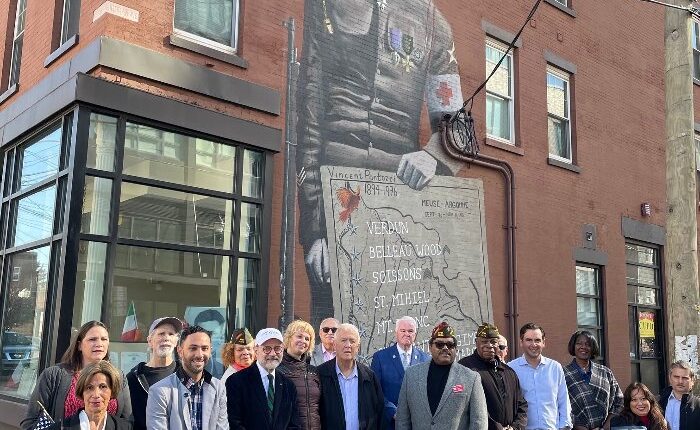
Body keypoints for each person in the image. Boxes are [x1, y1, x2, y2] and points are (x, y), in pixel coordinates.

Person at [296, 0, 466, 328]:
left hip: (398, 204)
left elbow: (456, 126)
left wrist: (434, 156)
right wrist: (317, 231)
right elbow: (309, 124)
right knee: (334, 326)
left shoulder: (433, 23)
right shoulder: (324, 6)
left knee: (396, 321)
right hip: (336, 198)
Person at [22, 321, 132, 429]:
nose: (99, 344)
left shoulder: (119, 377)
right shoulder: (53, 375)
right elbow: (31, 422)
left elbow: (127, 420)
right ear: (79, 345)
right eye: (92, 339)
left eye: (104, 339)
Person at [395, 321, 488, 429]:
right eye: (439, 344)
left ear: (455, 348)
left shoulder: (471, 378)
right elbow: (402, 419)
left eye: (450, 345)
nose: (445, 348)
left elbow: (479, 421)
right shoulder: (411, 375)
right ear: (430, 347)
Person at [146, 325, 228, 430]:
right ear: (180, 351)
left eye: (204, 348)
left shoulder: (219, 388)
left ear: (210, 351)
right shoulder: (159, 391)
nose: (199, 354)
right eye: (193, 348)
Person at [226, 328, 301, 429]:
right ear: (256, 350)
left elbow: (294, 424)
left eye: (277, 348)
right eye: (267, 348)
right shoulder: (236, 381)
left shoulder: (289, 385)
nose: (273, 353)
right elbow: (234, 422)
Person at [458, 322, 527, 430]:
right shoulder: (465, 368)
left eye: (493, 342)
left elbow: (521, 404)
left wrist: (515, 427)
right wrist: (496, 427)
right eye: (484, 341)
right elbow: (465, 404)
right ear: (476, 342)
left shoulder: (509, 372)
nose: (489, 345)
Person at [317, 323, 384, 429]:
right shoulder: (321, 374)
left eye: (352, 341)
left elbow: (379, 412)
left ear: (358, 347)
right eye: (343, 340)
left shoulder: (369, 377)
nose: (348, 345)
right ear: (334, 345)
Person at [508, 323, 571, 430]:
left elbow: (563, 400)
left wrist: (564, 426)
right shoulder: (511, 369)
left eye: (537, 340)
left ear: (543, 343)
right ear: (521, 342)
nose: (534, 344)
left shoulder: (555, 367)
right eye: (529, 340)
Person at [371, 316, 430, 428]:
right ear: (396, 333)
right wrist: (393, 411)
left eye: (410, 331)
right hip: (390, 423)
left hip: (418, 423)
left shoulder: (426, 359)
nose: (407, 334)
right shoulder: (380, 358)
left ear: (415, 334)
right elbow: (375, 390)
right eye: (403, 331)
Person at [127, 317, 182, 430]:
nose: (166, 338)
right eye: (161, 334)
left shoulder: (185, 375)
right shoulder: (133, 378)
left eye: (171, 334)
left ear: (176, 342)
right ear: (150, 341)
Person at [563, 330, 623, 430]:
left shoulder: (605, 372)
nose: (583, 347)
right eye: (579, 343)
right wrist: (579, 426)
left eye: (588, 344)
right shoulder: (563, 373)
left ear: (593, 348)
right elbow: (559, 405)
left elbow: (619, 400)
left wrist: (607, 424)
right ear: (573, 346)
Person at [46, 361, 132, 430]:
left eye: (103, 386)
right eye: (89, 388)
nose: (96, 394)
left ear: (112, 391)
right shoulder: (58, 428)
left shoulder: (126, 428)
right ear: (82, 392)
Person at [278, 320, 321, 430]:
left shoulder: (313, 372)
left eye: (307, 339)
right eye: (299, 336)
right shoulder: (278, 370)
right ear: (289, 338)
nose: (303, 341)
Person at [659, 361, 700, 430]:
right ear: (670, 378)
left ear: (692, 381)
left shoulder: (697, 405)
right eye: (676, 377)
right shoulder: (659, 402)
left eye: (685, 378)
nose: (680, 381)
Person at [194, 309, 226, 377]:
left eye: (213, 334)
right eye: (204, 334)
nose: (208, 339)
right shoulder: (183, 365)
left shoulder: (225, 369)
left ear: (221, 336)